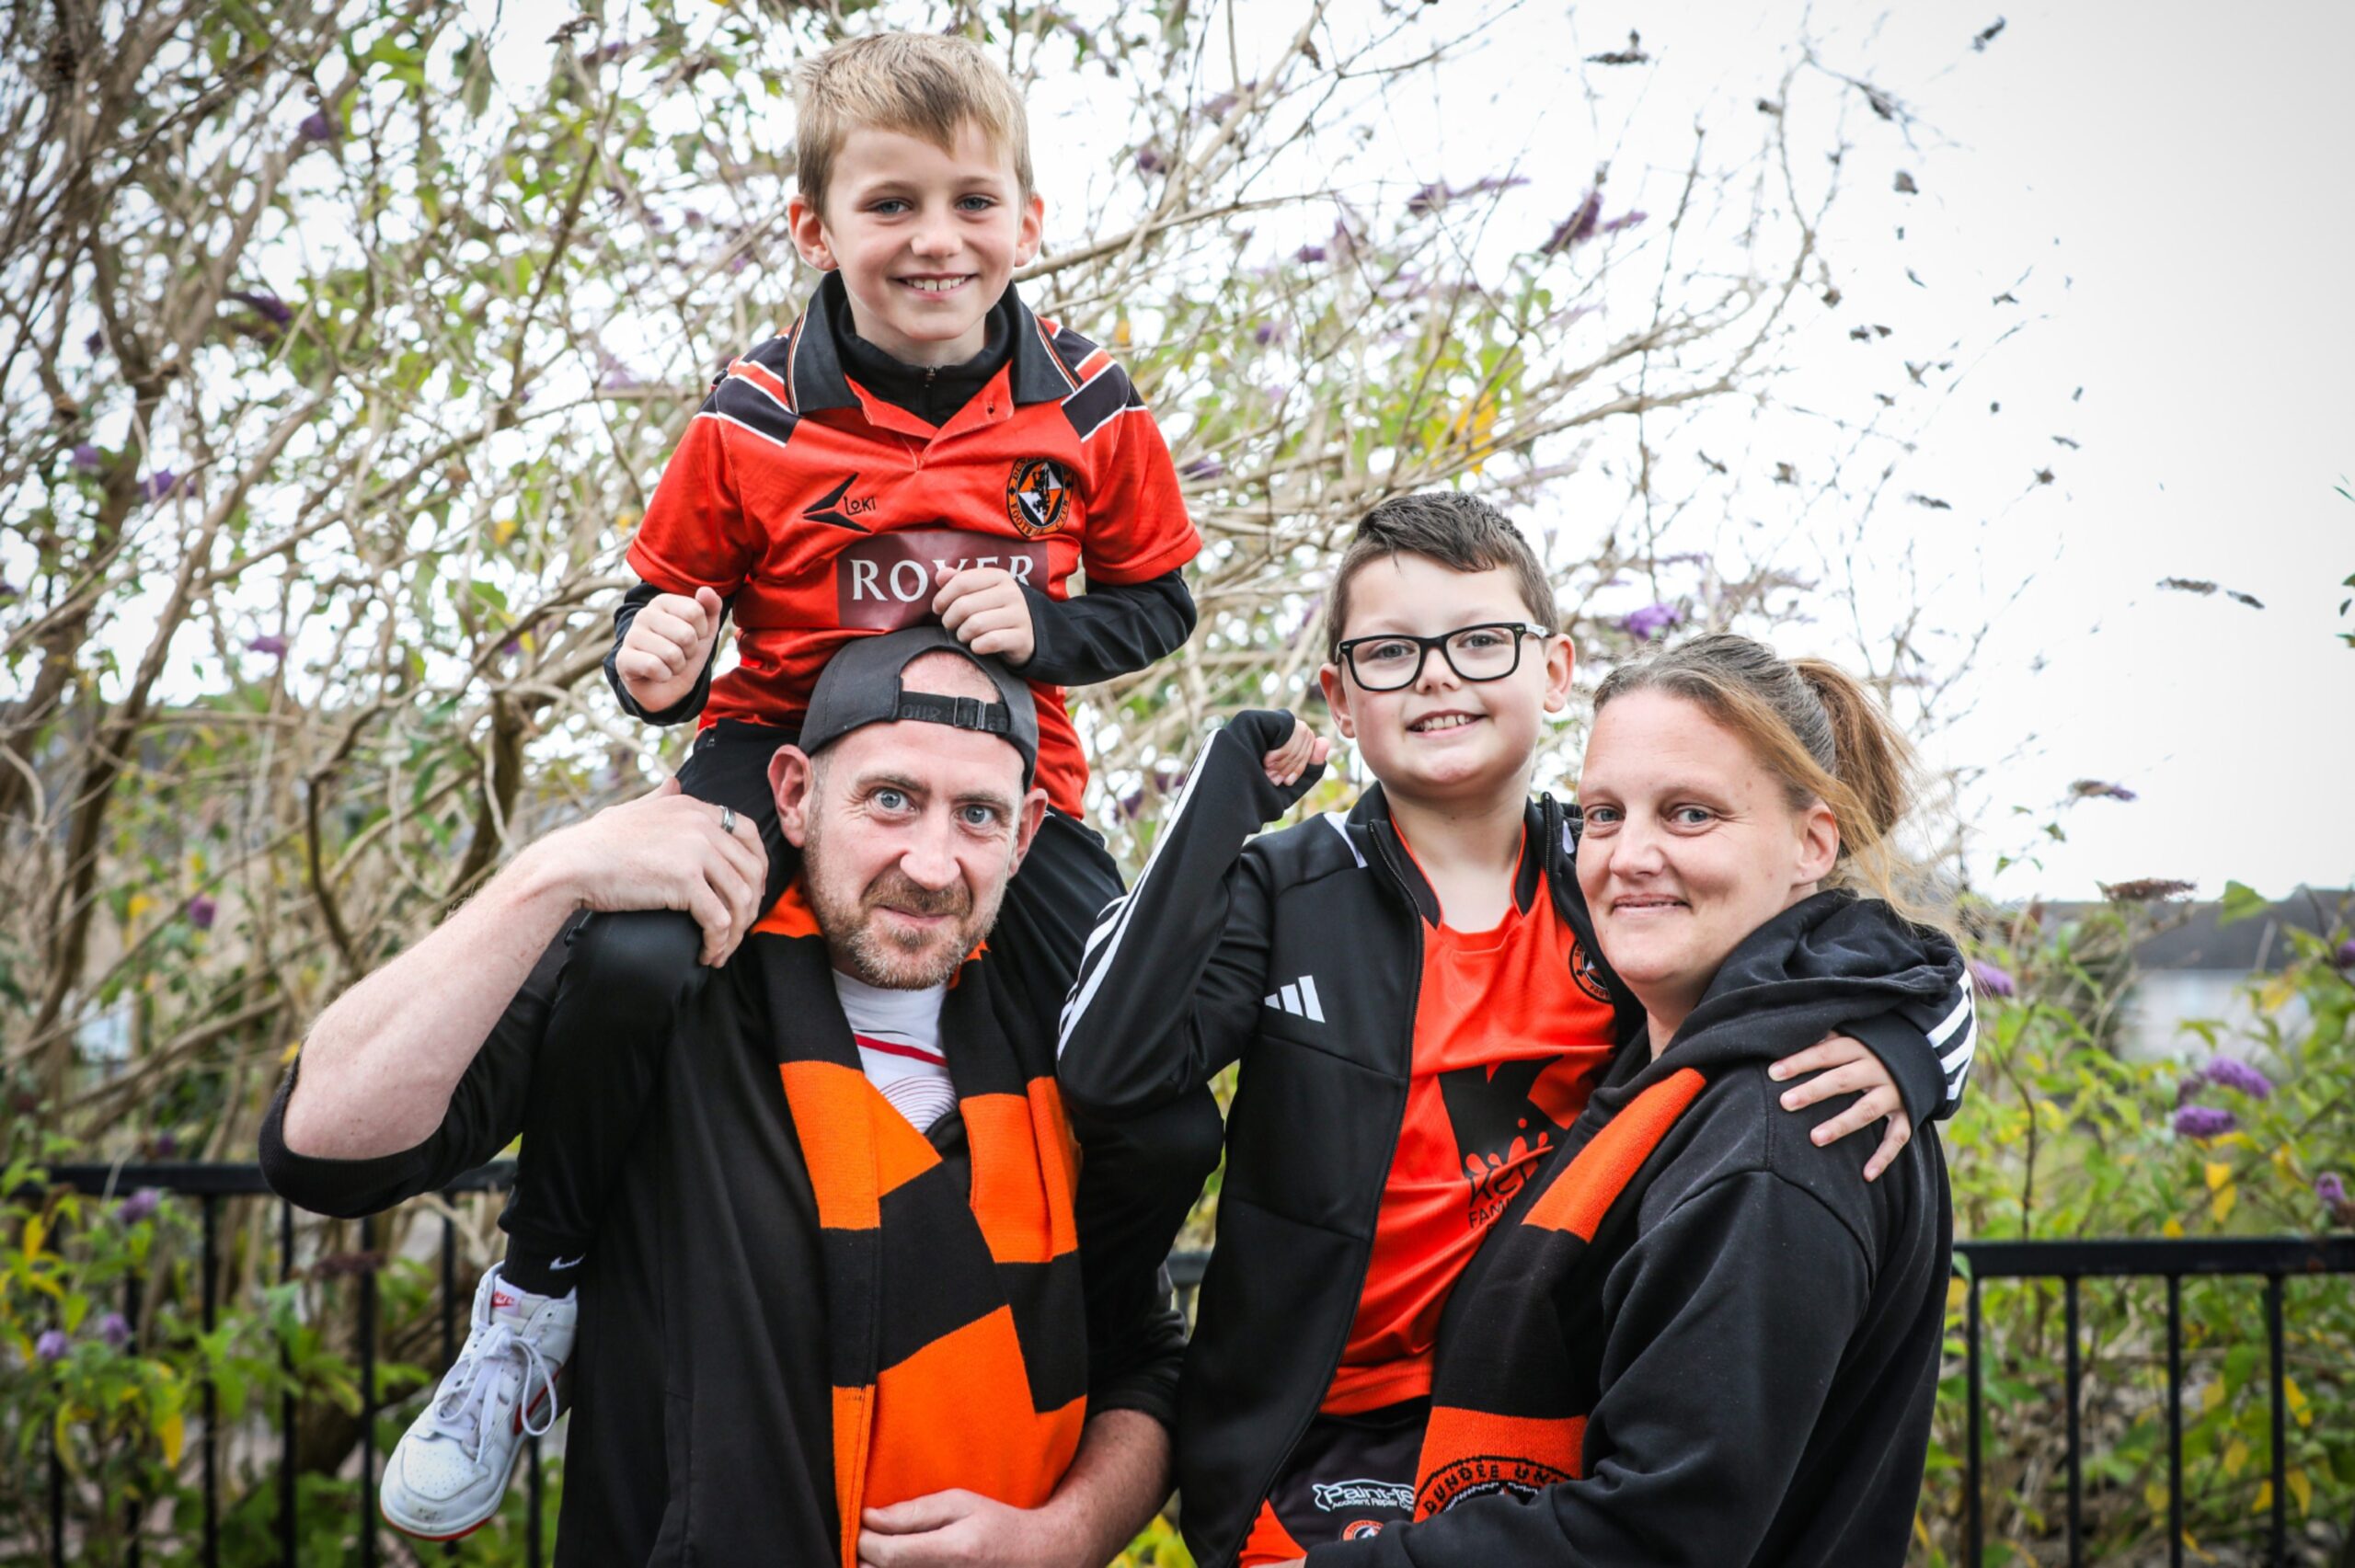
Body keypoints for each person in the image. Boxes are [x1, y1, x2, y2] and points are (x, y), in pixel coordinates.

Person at [379, 29, 1208, 1538]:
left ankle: (1101, 1335)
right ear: (816, 230)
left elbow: (1161, 605)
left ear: (1028, 219)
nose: (934, 240)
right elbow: (661, 619)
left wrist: (1057, 629)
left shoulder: (1090, 406)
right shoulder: (753, 412)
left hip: (998, 794)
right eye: (890, 206)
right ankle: (534, 1303)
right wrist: (659, 664)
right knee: (628, 961)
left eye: (972, 203)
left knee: (1158, 1053)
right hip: (774, 767)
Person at [1053, 494, 1974, 1567]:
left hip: (1545, 1424)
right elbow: (1103, 1064)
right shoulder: (1280, 891)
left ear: (1553, 670)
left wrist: (1912, 1053)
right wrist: (1217, 810)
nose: (1437, 674)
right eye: (1391, 652)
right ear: (1339, 698)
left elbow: (1879, 957)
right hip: (1322, 1442)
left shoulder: (1609, 887)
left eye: (1479, 640)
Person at [260, 630, 1212, 1565]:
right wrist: (551, 875)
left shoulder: (1063, 1047)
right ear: (794, 794)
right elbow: (322, 1144)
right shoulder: (662, 990)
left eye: (976, 815)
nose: (931, 863)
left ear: (1027, 832)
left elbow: (1142, 1356)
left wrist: (1068, 1533)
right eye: (890, 799)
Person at [1293, 631, 1965, 1565]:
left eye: (1690, 814)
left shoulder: (1781, 1130)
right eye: (1603, 813)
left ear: (1813, 842)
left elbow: (1656, 1533)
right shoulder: (1667, 1068)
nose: (1629, 855)